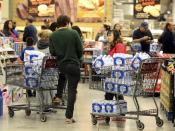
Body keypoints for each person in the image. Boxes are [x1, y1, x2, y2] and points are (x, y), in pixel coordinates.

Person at [49, 15, 83, 123]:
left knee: (62, 80)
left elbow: (52, 52)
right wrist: (76, 57)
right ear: (67, 23)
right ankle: (69, 117)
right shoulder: (73, 33)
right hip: (73, 65)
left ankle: (58, 96)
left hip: (62, 66)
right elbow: (80, 50)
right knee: (72, 90)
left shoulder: (53, 35)